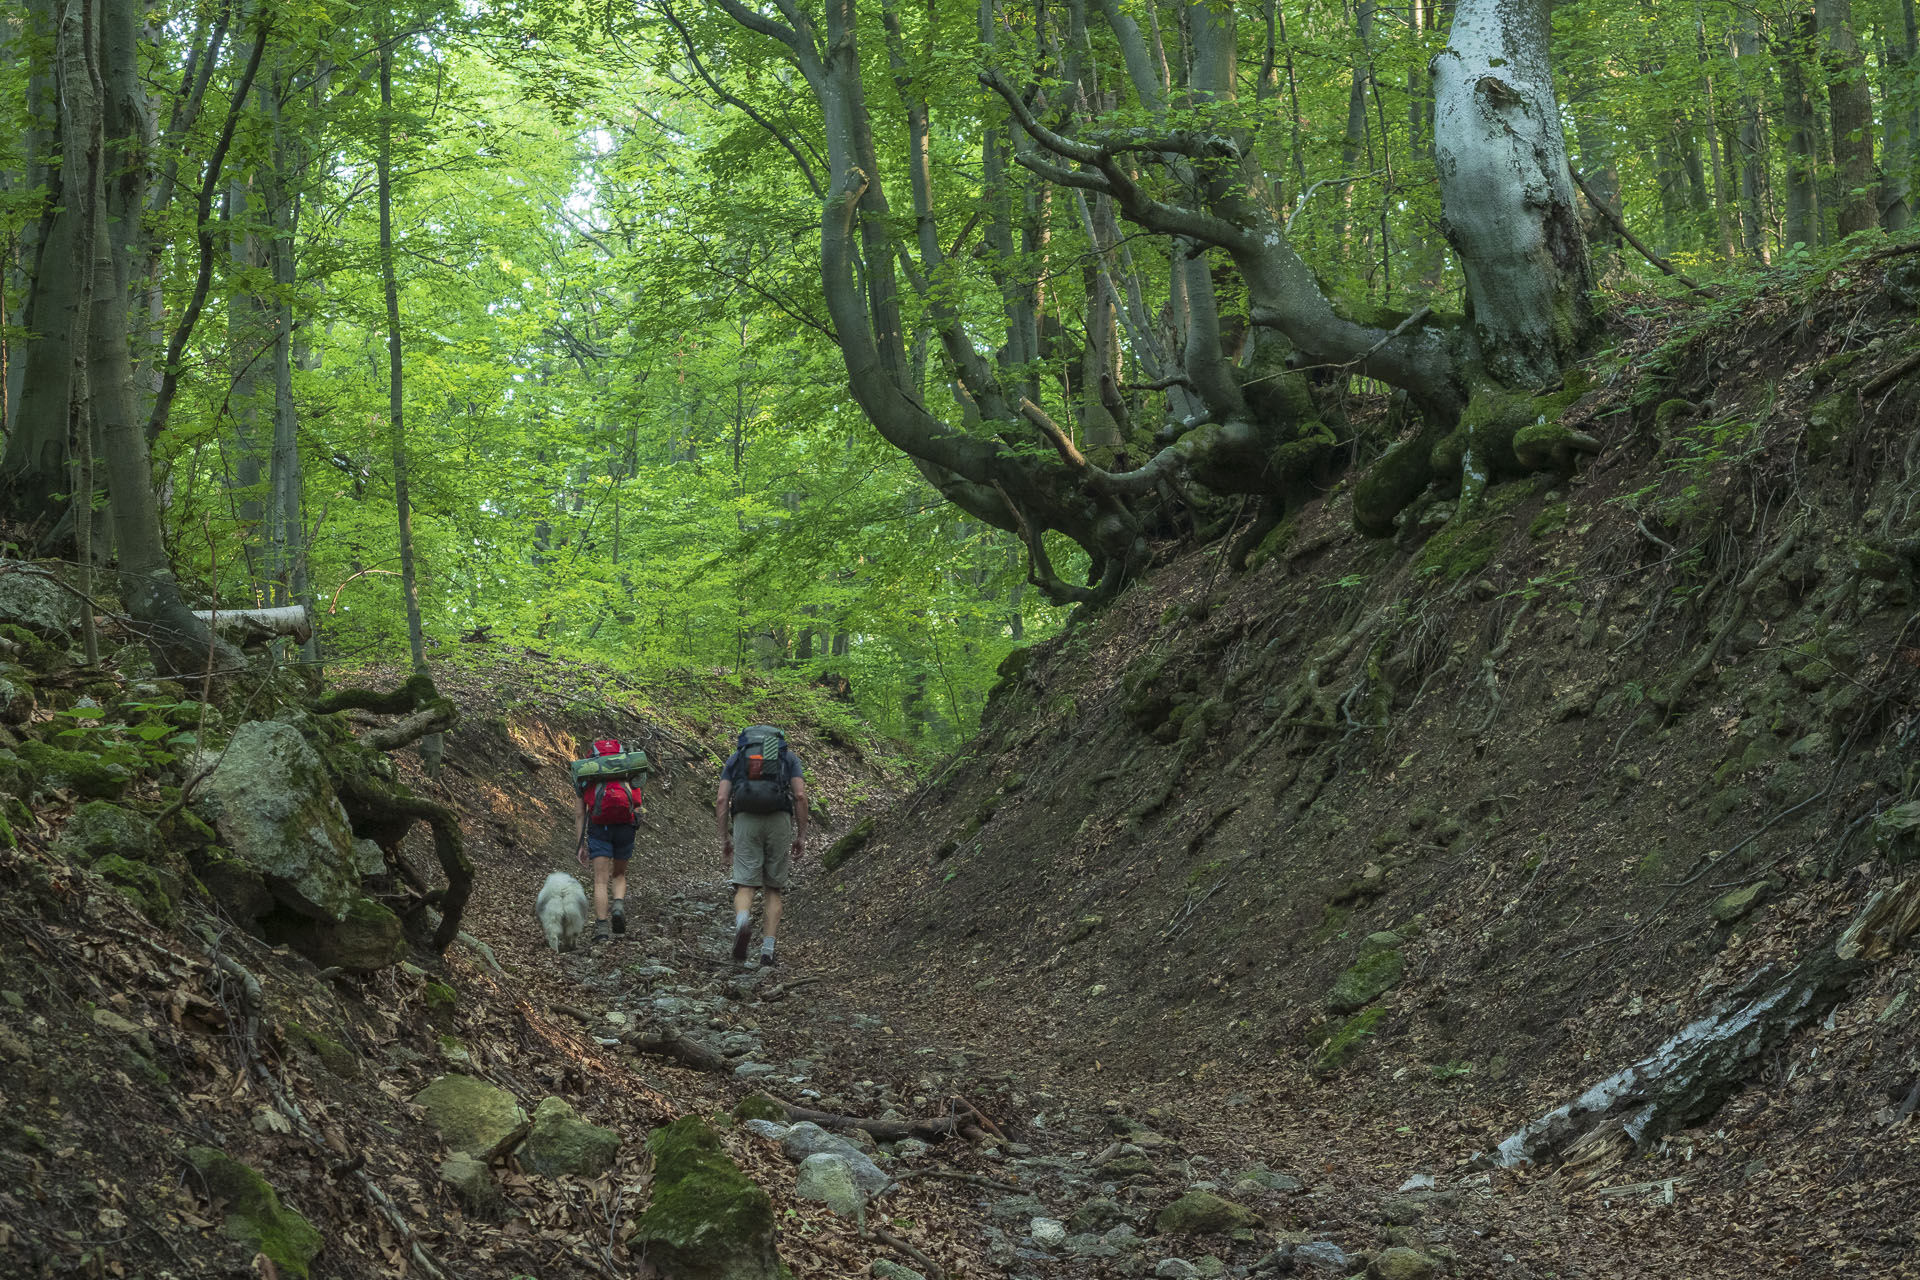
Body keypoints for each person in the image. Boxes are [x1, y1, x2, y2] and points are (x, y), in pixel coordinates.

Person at [715, 725, 807, 967]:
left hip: (746, 819)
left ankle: (743, 921)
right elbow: (800, 796)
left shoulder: (737, 757)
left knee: (745, 883)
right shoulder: (787, 757)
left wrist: (724, 837)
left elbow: (722, 798)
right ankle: (767, 951)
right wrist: (802, 835)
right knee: (773, 888)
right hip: (779, 819)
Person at [575, 738, 642, 945]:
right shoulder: (627, 768)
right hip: (625, 826)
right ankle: (619, 906)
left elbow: (580, 814)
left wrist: (580, 845)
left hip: (599, 828)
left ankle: (602, 928)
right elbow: (637, 804)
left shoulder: (586, 773)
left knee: (600, 880)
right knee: (619, 874)